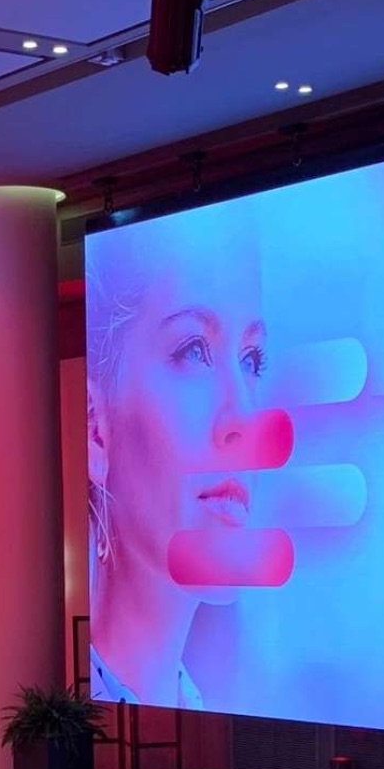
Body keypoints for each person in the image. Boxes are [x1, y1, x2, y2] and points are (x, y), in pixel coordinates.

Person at [85, 214, 267, 710]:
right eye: (194, 350)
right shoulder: (70, 718)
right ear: (96, 428)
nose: (243, 418)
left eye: (252, 360)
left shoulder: (204, 708)